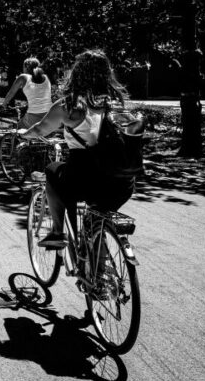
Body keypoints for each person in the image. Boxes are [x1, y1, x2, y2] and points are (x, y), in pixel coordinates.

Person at [19, 50, 136, 249]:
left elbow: (40, 129)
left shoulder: (70, 105)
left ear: (76, 73)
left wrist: (23, 134)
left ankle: (57, 232)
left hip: (85, 179)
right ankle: (96, 254)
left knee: (52, 171)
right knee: (95, 220)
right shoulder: (117, 104)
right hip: (122, 182)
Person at [3, 57, 53, 128]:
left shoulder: (23, 77)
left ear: (26, 67)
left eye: (23, 67)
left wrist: (4, 104)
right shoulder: (46, 77)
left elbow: (11, 93)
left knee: (16, 127)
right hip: (50, 116)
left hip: (33, 117)